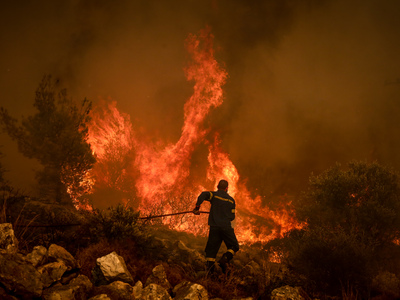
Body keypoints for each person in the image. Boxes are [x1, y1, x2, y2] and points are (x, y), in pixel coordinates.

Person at [193, 179, 239, 274]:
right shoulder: (231, 200)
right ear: (227, 188)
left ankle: (209, 272)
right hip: (226, 227)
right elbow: (232, 217)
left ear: (217, 187)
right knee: (234, 246)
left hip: (214, 227)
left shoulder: (214, 195)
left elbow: (203, 195)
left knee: (211, 251)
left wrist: (197, 208)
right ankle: (225, 258)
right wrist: (224, 215)